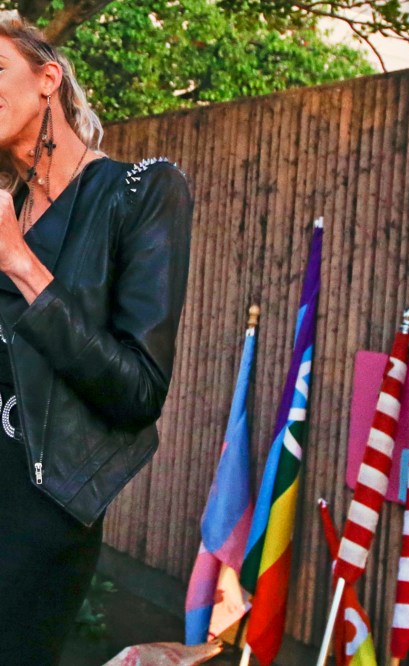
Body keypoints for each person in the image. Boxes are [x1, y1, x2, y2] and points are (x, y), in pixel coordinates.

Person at [0, 13, 192, 664]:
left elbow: (136, 391)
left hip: (34, 516)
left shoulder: (137, 195)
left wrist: (21, 264)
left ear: (47, 77)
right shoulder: (5, 203)